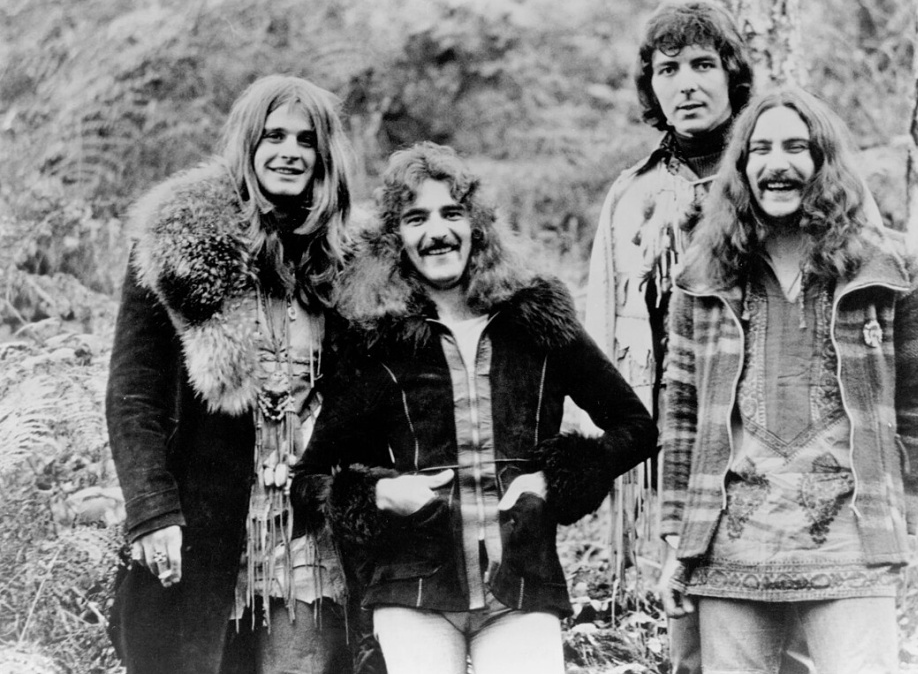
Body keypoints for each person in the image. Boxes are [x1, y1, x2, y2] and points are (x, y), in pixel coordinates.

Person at [291, 142, 658, 674]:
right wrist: (381, 494)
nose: (437, 231)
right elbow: (310, 480)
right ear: (395, 239)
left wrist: (557, 478)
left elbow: (636, 427)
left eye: (452, 213)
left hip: (523, 585)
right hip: (413, 591)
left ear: (478, 226)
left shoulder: (537, 320)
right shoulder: (375, 341)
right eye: (416, 218)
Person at [661, 86, 918, 674]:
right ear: (742, 168)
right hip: (731, 543)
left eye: (796, 147)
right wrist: (674, 544)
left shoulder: (891, 269)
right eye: (760, 149)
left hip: (852, 543)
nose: (777, 163)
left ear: (824, 162)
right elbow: (682, 417)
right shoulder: (702, 277)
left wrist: (904, 526)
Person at [106, 75, 361, 674]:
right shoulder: (180, 244)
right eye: (274, 135)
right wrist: (152, 511)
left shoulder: (349, 262)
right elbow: (133, 393)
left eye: (306, 140)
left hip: (307, 533)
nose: (290, 152)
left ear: (326, 155)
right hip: (206, 514)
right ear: (248, 143)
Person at [581, 1, 754, 674]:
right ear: (651, 85)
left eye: (703, 65)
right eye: (669, 69)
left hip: (759, 427)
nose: (686, 84)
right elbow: (603, 326)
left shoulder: (769, 167)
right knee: (690, 629)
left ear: (731, 73)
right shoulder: (632, 193)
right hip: (673, 434)